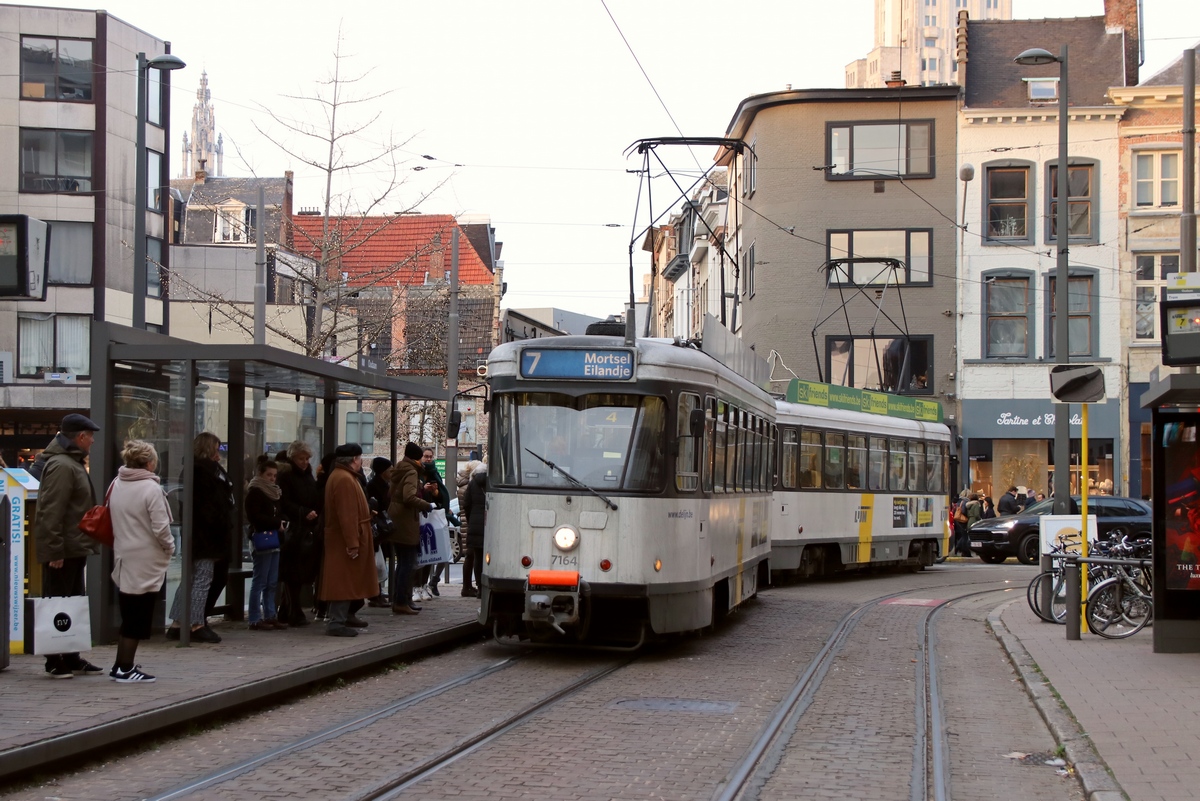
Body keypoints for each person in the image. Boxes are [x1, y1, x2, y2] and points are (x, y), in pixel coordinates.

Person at [31, 413, 104, 678]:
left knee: (71, 602)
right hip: (64, 548)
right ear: (81, 437)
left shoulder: (70, 463)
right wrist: (54, 550)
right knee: (57, 602)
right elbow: (51, 511)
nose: (93, 441)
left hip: (74, 546)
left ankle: (71, 656)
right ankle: (53, 659)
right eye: (91, 436)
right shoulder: (63, 465)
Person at [107, 440, 174, 683]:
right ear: (149, 463)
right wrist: (170, 547)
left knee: (129, 612)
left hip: (124, 555)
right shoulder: (150, 488)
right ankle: (125, 667)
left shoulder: (117, 483)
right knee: (137, 616)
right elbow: (161, 527)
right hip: (147, 559)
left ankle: (120, 665)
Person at [167, 432, 230, 644]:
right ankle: (196, 624)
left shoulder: (197, 469)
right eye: (216, 449)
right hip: (206, 534)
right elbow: (209, 505)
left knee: (190, 578)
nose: (219, 455)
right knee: (202, 578)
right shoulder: (203, 471)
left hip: (198, 532)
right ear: (208, 449)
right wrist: (220, 519)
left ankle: (177, 623)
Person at [320, 444, 378, 636]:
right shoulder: (344, 479)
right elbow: (347, 514)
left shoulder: (343, 477)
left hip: (347, 536)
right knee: (343, 581)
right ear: (354, 459)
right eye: (360, 457)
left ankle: (345, 616)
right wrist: (352, 543)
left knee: (348, 580)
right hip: (344, 540)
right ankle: (336, 621)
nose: (361, 461)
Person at [278, 441, 322, 626]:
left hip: (307, 528)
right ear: (292, 458)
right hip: (294, 530)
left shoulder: (307, 475)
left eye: (306, 459)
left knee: (301, 572)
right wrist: (303, 512)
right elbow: (285, 502)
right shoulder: (286, 475)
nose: (304, 462)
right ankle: (292, 610)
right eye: (300, 459)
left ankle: (288, 609)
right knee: (293, 573)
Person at [387, 442, 433, 615]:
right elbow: (408, 496)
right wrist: (426, 505)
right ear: (417, 458)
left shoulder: (400, 467)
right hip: (406, 520)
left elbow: (395, 493)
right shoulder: (412, 471)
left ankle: (402, 598)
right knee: (408, 562)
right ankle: (401, 601)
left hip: (396, 516)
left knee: (403, 562)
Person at [246, 456, 286, 631]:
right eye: (269, 475)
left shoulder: (274, 493)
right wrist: (276, 523)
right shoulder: (255, 492)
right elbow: (255, 517)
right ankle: (255, 618)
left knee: (271, 581)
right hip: (262, 538)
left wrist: (281, 521)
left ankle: (270, 614)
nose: (272, 479)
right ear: (260, 474)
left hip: (274, 538)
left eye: (274, 475)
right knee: (260, 580)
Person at [422, 447, 459, 597]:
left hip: (438, 516)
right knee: (428, 554)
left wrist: (437, 494)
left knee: (443, 553)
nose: (429, 459)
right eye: (426, 456)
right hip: (427, 517)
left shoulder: (435, 472)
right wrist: (426, 490)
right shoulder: (420, 474)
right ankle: (423, 584)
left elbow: (441, 496)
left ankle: (434, 581)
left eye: (431, 456)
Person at [366, 457, 394, 607]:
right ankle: (374, 594)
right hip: (378, 527)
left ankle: (378, 592)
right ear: (383, 471)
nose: (391, 472)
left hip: (383, 526)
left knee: (380, 561)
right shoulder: (374, 485)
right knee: (376, 563)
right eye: (389, 469)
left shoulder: (386, 484)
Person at [461, 462, 487, 597]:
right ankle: (486, 586)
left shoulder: (472, 484)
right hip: (489, 523)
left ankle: (480, 588)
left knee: (477, 557)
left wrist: (471, 519)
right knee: (487, 558)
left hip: (475, 523)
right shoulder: (492, 482)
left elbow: (466, 504)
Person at [457, 459, 483, 596]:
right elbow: (467, 505)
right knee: (471, 555)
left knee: (471, 555)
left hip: (470, 522)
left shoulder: (468, 485)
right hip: (469, 523)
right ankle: (467, 586)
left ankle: (468, 586)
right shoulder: (468, 487)